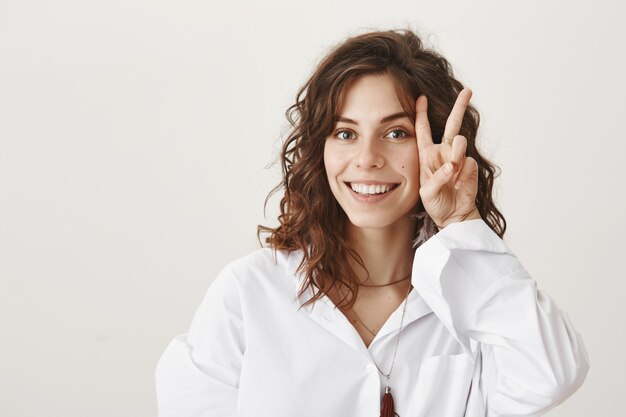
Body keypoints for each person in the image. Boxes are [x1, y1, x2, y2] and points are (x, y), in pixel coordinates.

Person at [155, 29, 589, 417]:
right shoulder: (249, 295)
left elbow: (552, 374)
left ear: (434, 145)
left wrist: (460, 222)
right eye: (345, 133)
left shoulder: (470, 301)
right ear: (318, 150)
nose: (367, 158)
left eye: (396, 133)